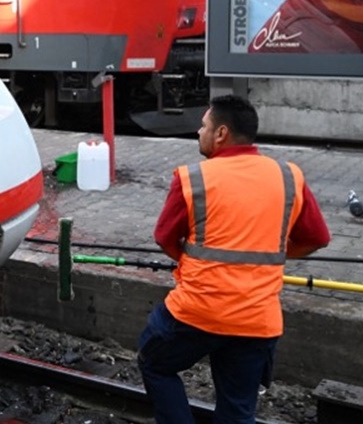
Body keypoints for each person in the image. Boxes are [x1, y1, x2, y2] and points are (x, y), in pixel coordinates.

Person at [137, 95, 331, 423]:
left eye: (203, 126)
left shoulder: (192, 177)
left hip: (196, 311)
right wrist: (275, 255)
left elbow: (164, 237)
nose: (199, 132)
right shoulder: (288, 176)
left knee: (154, 363)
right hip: (257, 319)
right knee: (238, 409)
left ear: (221, 133)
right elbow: (318, 238)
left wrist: (191, 264)